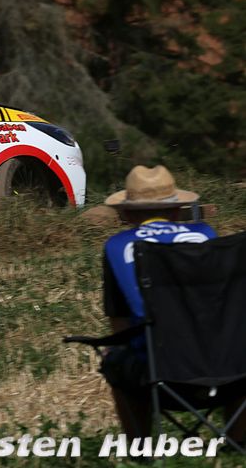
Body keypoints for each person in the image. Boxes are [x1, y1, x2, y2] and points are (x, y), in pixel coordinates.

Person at [100, 165, 230, 437]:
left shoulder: (117, 246)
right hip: (228, 371)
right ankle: (238, 440)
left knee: (116, 360)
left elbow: (119, 323)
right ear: (177, 210)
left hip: (156, 374)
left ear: (127, 214)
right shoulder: (206, 235)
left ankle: (141, 448)